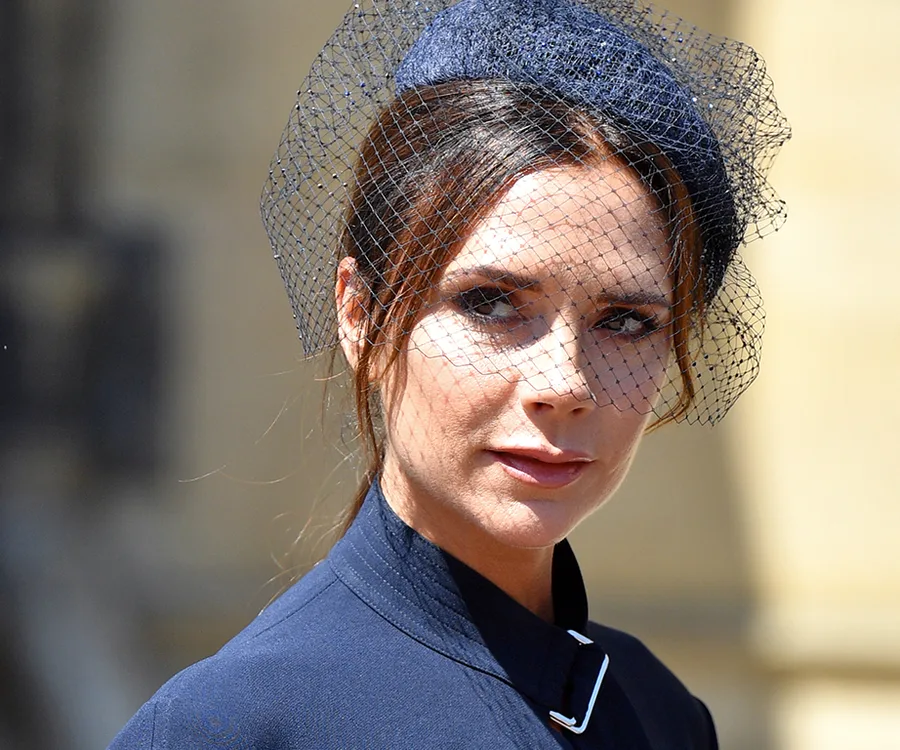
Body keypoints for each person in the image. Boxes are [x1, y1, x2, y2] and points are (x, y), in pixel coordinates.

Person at [109, 0, 789, 747]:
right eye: (491, 303)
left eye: (625, 320)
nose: (564, 381)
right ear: (359, 314)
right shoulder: (238, 725)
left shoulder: (654, 708)